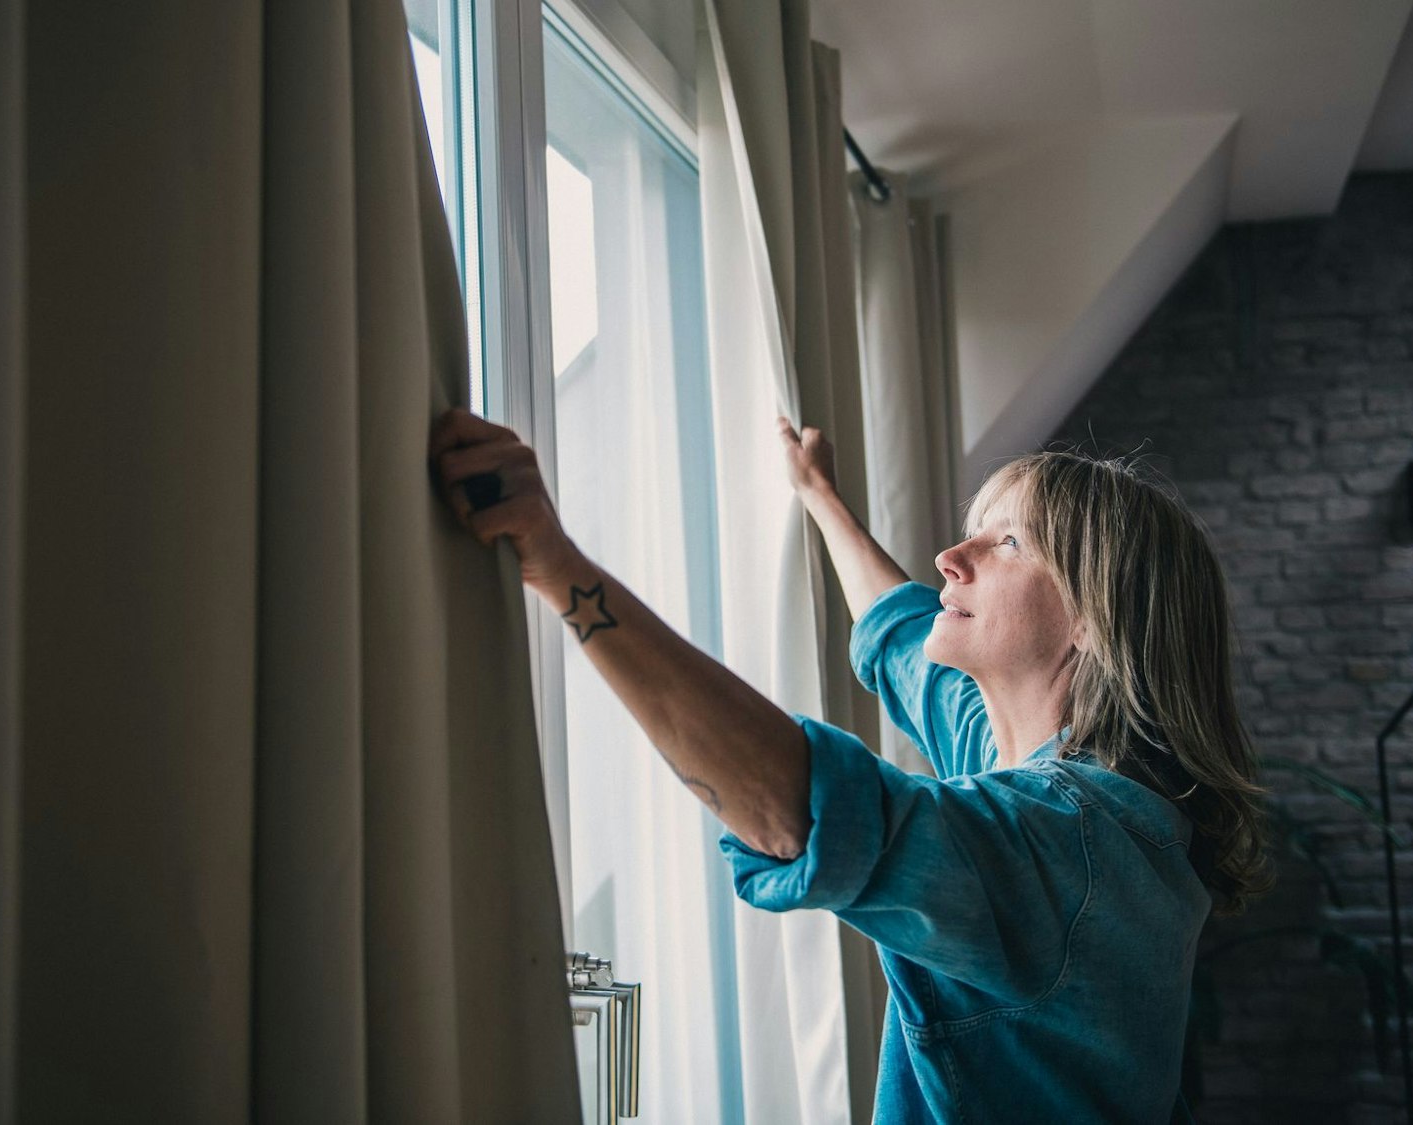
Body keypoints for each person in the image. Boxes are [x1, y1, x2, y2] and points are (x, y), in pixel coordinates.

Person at [429, 407, 1273, 1123]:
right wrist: (817, 494)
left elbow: (801, 805)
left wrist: (556, 561)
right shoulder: (1024, 753)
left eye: (1009, 541)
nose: (954, 554)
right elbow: (901, 632)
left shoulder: (1072, 844)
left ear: (1096, 616)